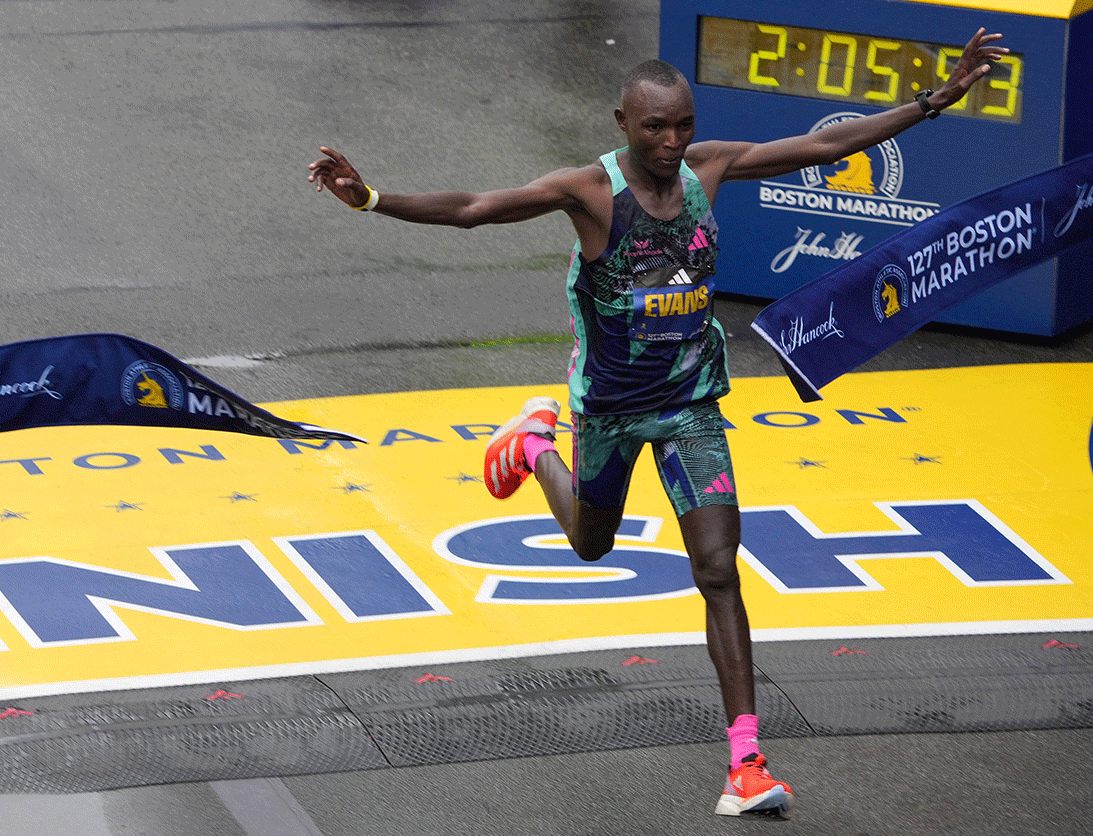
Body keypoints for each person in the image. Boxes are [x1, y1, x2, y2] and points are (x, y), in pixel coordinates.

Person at [308, 27, 1008, 817]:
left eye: (682, 125)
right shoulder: (588, 193)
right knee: (590, 544)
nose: (673, 142)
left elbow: (823, 146)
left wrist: (930, 102)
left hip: (690, 406)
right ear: (622, 123)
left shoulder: (710, 168)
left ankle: (745, 761)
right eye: (655, 127)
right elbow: (474, 209)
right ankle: (534, 444)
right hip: (608, 410)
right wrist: (371, 199)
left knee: (718, 568)